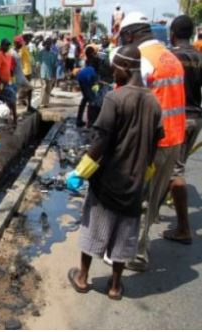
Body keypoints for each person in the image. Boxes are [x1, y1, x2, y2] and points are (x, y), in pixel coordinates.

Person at [66, 45, 162, 300]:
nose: (111, 72)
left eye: (114, 67)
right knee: (124, 234)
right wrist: (146, 173)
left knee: (94, 227)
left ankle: (83, 277)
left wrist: (80, 172)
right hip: (135, 182)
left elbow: (100, 142)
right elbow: (155, 143)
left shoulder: (115, 98)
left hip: (108, 180)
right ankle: (116, 286)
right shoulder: (154, 101)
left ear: (124, 68)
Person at [119, 12, 186, 271]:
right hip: (174, 141)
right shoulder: (170, 56)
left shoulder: (143, 61)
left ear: (130, 35)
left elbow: (133, 105)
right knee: (153, 198)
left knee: (139, 199)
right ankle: (138, 246)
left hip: (153, 144)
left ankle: (133, 254)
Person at [165, 15, 202, 244]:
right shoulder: (199, 57)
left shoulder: (171, 58)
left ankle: (184, 229)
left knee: (174, 170)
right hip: (196, 117)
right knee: (176, 165)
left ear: (173, 34)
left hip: (177, 118)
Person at [76, 45, 100, 127]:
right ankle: (90, 122)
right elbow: (96, 73)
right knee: (92, 100)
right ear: (92, 53)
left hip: (81, 76)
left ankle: (79, 120)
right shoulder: (96, 59)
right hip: (90, 76)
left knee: (85, 98)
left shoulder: (87, 60)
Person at [38, 38, 58, 108]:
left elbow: (55, 65)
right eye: (47, 44)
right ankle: (41, 103)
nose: (48, 45)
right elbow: (39, 63)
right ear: (45, 44)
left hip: (50, 72)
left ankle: (46, 103)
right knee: (44, 86)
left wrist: (54, 75)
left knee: (48, 88)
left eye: (49, 44)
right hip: (42, 72)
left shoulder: (53, 54)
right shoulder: (41, 53)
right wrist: (38, 72)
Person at [19, 34, 34, 110]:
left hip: (28, 70)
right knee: (27, 88)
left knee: (26, 88)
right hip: (24, 71)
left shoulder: (26, 47)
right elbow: (19, 58)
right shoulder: (22, 47)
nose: (29, 41)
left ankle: (23, 101)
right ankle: (21, 101)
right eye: (28, 39)